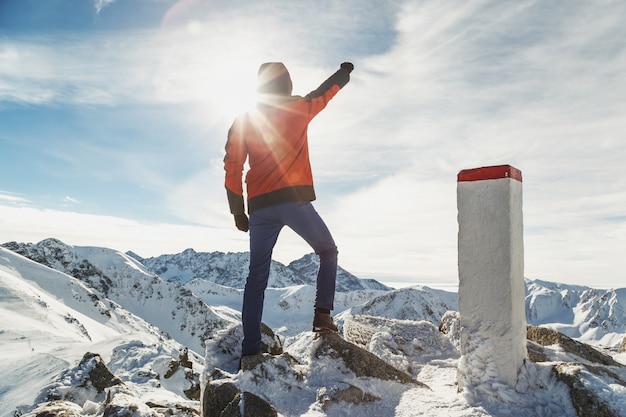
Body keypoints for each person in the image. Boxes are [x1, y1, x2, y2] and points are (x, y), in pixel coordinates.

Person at [224, 61, 354, 357]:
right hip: (293, 200)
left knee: (256, 277)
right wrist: (344, 72)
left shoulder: (244, 120)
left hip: (259, 208)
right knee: (327, 251)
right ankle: (322, 316)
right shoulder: (300, 107)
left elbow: (232, 166)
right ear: (288, 85)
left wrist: (238, 212)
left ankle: (251, 349)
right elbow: (325, 92)